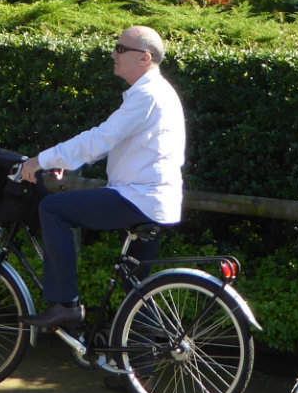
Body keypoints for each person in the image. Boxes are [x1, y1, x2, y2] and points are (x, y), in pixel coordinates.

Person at [17, 25, 184, 331]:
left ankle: (64, 304)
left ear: (145, 58)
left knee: (53, 209)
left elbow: (100, 139)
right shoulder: (154, 93)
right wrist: (63, 163)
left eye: (121, 49)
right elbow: (111, 144)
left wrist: (41, 160)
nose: (113, 54)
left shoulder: (147, 95)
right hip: (155, 200)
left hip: (139, 197)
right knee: (136, 287)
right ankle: (138, 372)